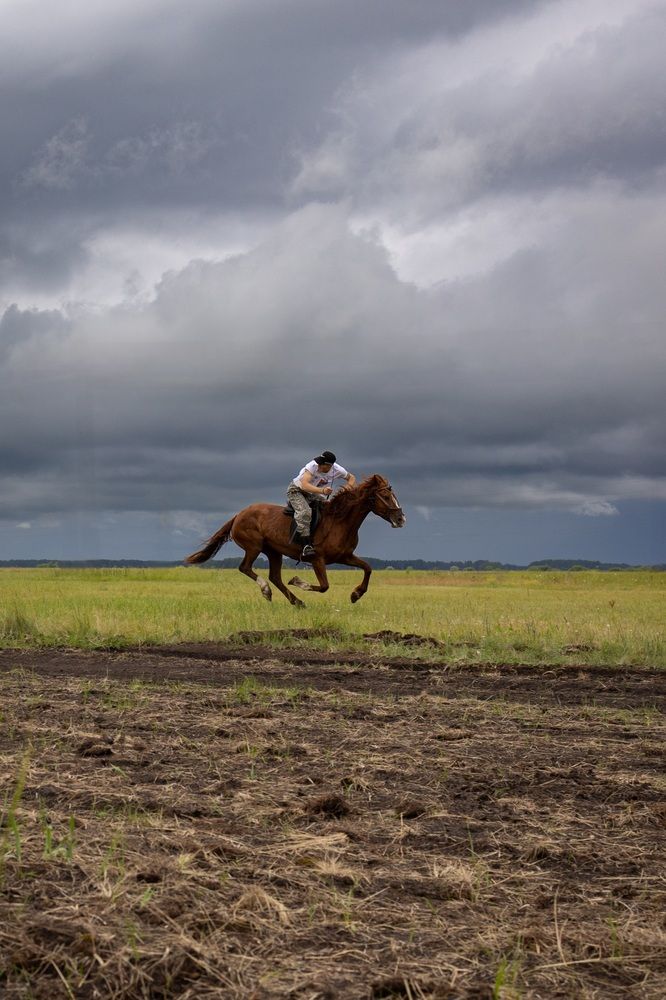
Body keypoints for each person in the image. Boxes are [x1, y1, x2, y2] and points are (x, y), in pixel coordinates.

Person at [287, 451, 356, 559]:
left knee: (330, 508)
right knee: (305, 512)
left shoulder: (338, 470)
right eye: (319, 463)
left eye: (322, 464)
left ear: (330, 466)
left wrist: (347, 488)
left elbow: (352, 478)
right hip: (297, 491)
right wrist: (322, 491)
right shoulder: (312, 466)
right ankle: (306, 546)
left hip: (314, 493)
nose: (318, 465)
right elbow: (304, 485)